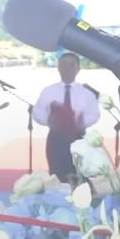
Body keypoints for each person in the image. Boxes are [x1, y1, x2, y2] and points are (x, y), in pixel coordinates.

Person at [32, 52, 101, 180]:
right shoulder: (48, 91)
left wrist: (81, 122)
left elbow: (95, 114)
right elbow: (37, 112)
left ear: (78, 69)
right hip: (56, 139)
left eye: (71, 65)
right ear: (58, 68)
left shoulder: (86, 93)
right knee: (57, 178)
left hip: (79, 138)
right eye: (63, 65)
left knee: (80, 177)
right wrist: (47, 119)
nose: (67, 69)